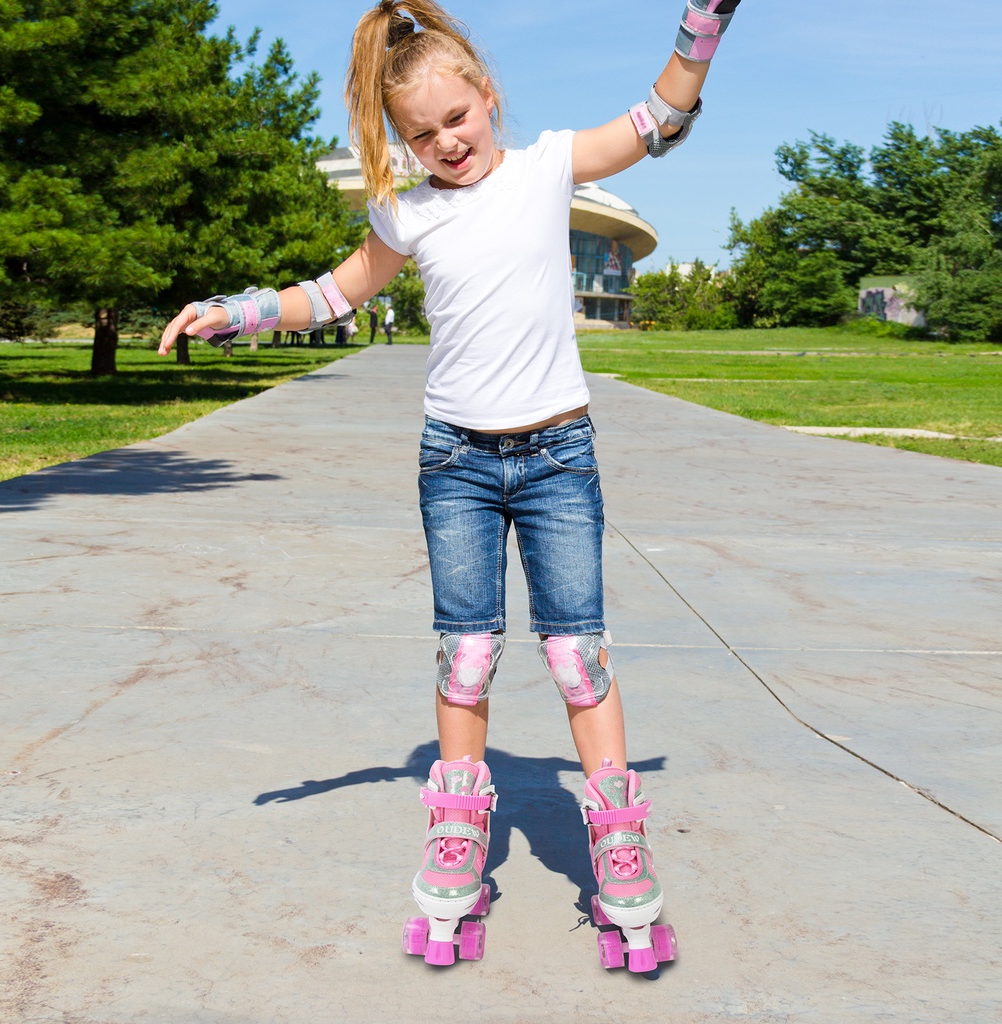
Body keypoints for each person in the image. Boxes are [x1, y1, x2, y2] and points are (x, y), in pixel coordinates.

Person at [158, 0, 743, 972]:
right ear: (400, 140)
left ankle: (618, 843)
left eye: (456, 121)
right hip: (456, 463)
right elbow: (336, 291)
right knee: (465, 656)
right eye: (419, 135)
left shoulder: (551, 165)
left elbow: (657, 118)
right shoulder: (406, 209)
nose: (446, 145)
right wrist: (238, 311)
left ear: (488, 98)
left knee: (575, 658)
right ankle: (457, 837)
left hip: (556, 454)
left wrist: (700, 30)